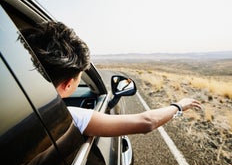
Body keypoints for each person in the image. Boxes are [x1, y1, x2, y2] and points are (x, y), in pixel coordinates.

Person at [19, 21, 202, 137]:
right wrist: (180, 105)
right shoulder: (70, 118)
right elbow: (147, 122)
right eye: (79, 78)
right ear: (67, 85)